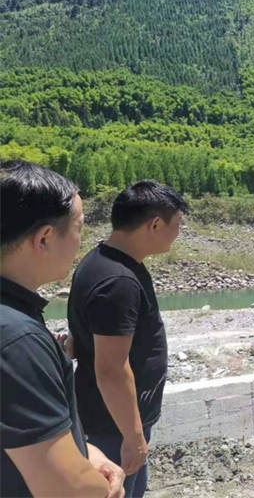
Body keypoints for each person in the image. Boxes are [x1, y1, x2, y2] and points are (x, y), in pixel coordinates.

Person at [1, 160, 125, 497]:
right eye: (78, 227)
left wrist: (84, 454)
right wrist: (103, 488)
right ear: (44, 238)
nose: (80, 242)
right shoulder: (17, 340)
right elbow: (67, 488)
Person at [67, 180, 187, 497]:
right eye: (178, 224)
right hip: (113, 429)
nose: (179, 232)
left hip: (113, 422)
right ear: (155, 224)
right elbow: (111, 370)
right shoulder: (117, 282)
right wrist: (133, 437)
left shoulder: (104, 261)